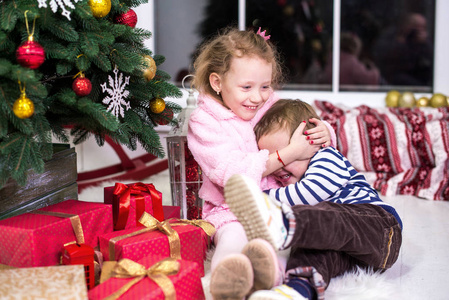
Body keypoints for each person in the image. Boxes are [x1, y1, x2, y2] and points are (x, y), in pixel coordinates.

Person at [187, 28, 335, 299]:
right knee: (233, 238)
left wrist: (323, 131)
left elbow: (300, 124)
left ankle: (269, 277)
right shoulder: (204, 121)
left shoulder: (269, 104)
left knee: (282, 242)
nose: (257, 97)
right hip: (229, 207)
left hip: (277, 201)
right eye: (246, 87)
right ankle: (225, 279)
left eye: (265, 86)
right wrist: (288, 154)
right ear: (217, 82)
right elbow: (231, 173)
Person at [224, 99, 403, 300]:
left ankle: (282, 223)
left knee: (330, 217)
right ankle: (296, 291)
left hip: (379, 227)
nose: (280, 167)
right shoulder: (292, 180)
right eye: (275, 159)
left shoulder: (326, 157)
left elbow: (311, 192)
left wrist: (261, 200)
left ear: (312, 145)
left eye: (290, 155)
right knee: (312, 251)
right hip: (356, 255)